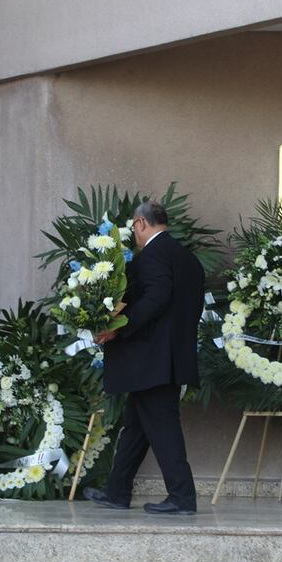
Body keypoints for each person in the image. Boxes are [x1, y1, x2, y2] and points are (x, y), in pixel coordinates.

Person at [83, 201, 204, 514]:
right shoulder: (186, 257)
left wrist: (119, 329)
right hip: (168, 358)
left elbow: (157, 297)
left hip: (152, 360)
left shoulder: (153, 255)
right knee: (136, 429)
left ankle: (182, 497)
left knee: (163, 427)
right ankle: (117, 491)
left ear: (140, 223)